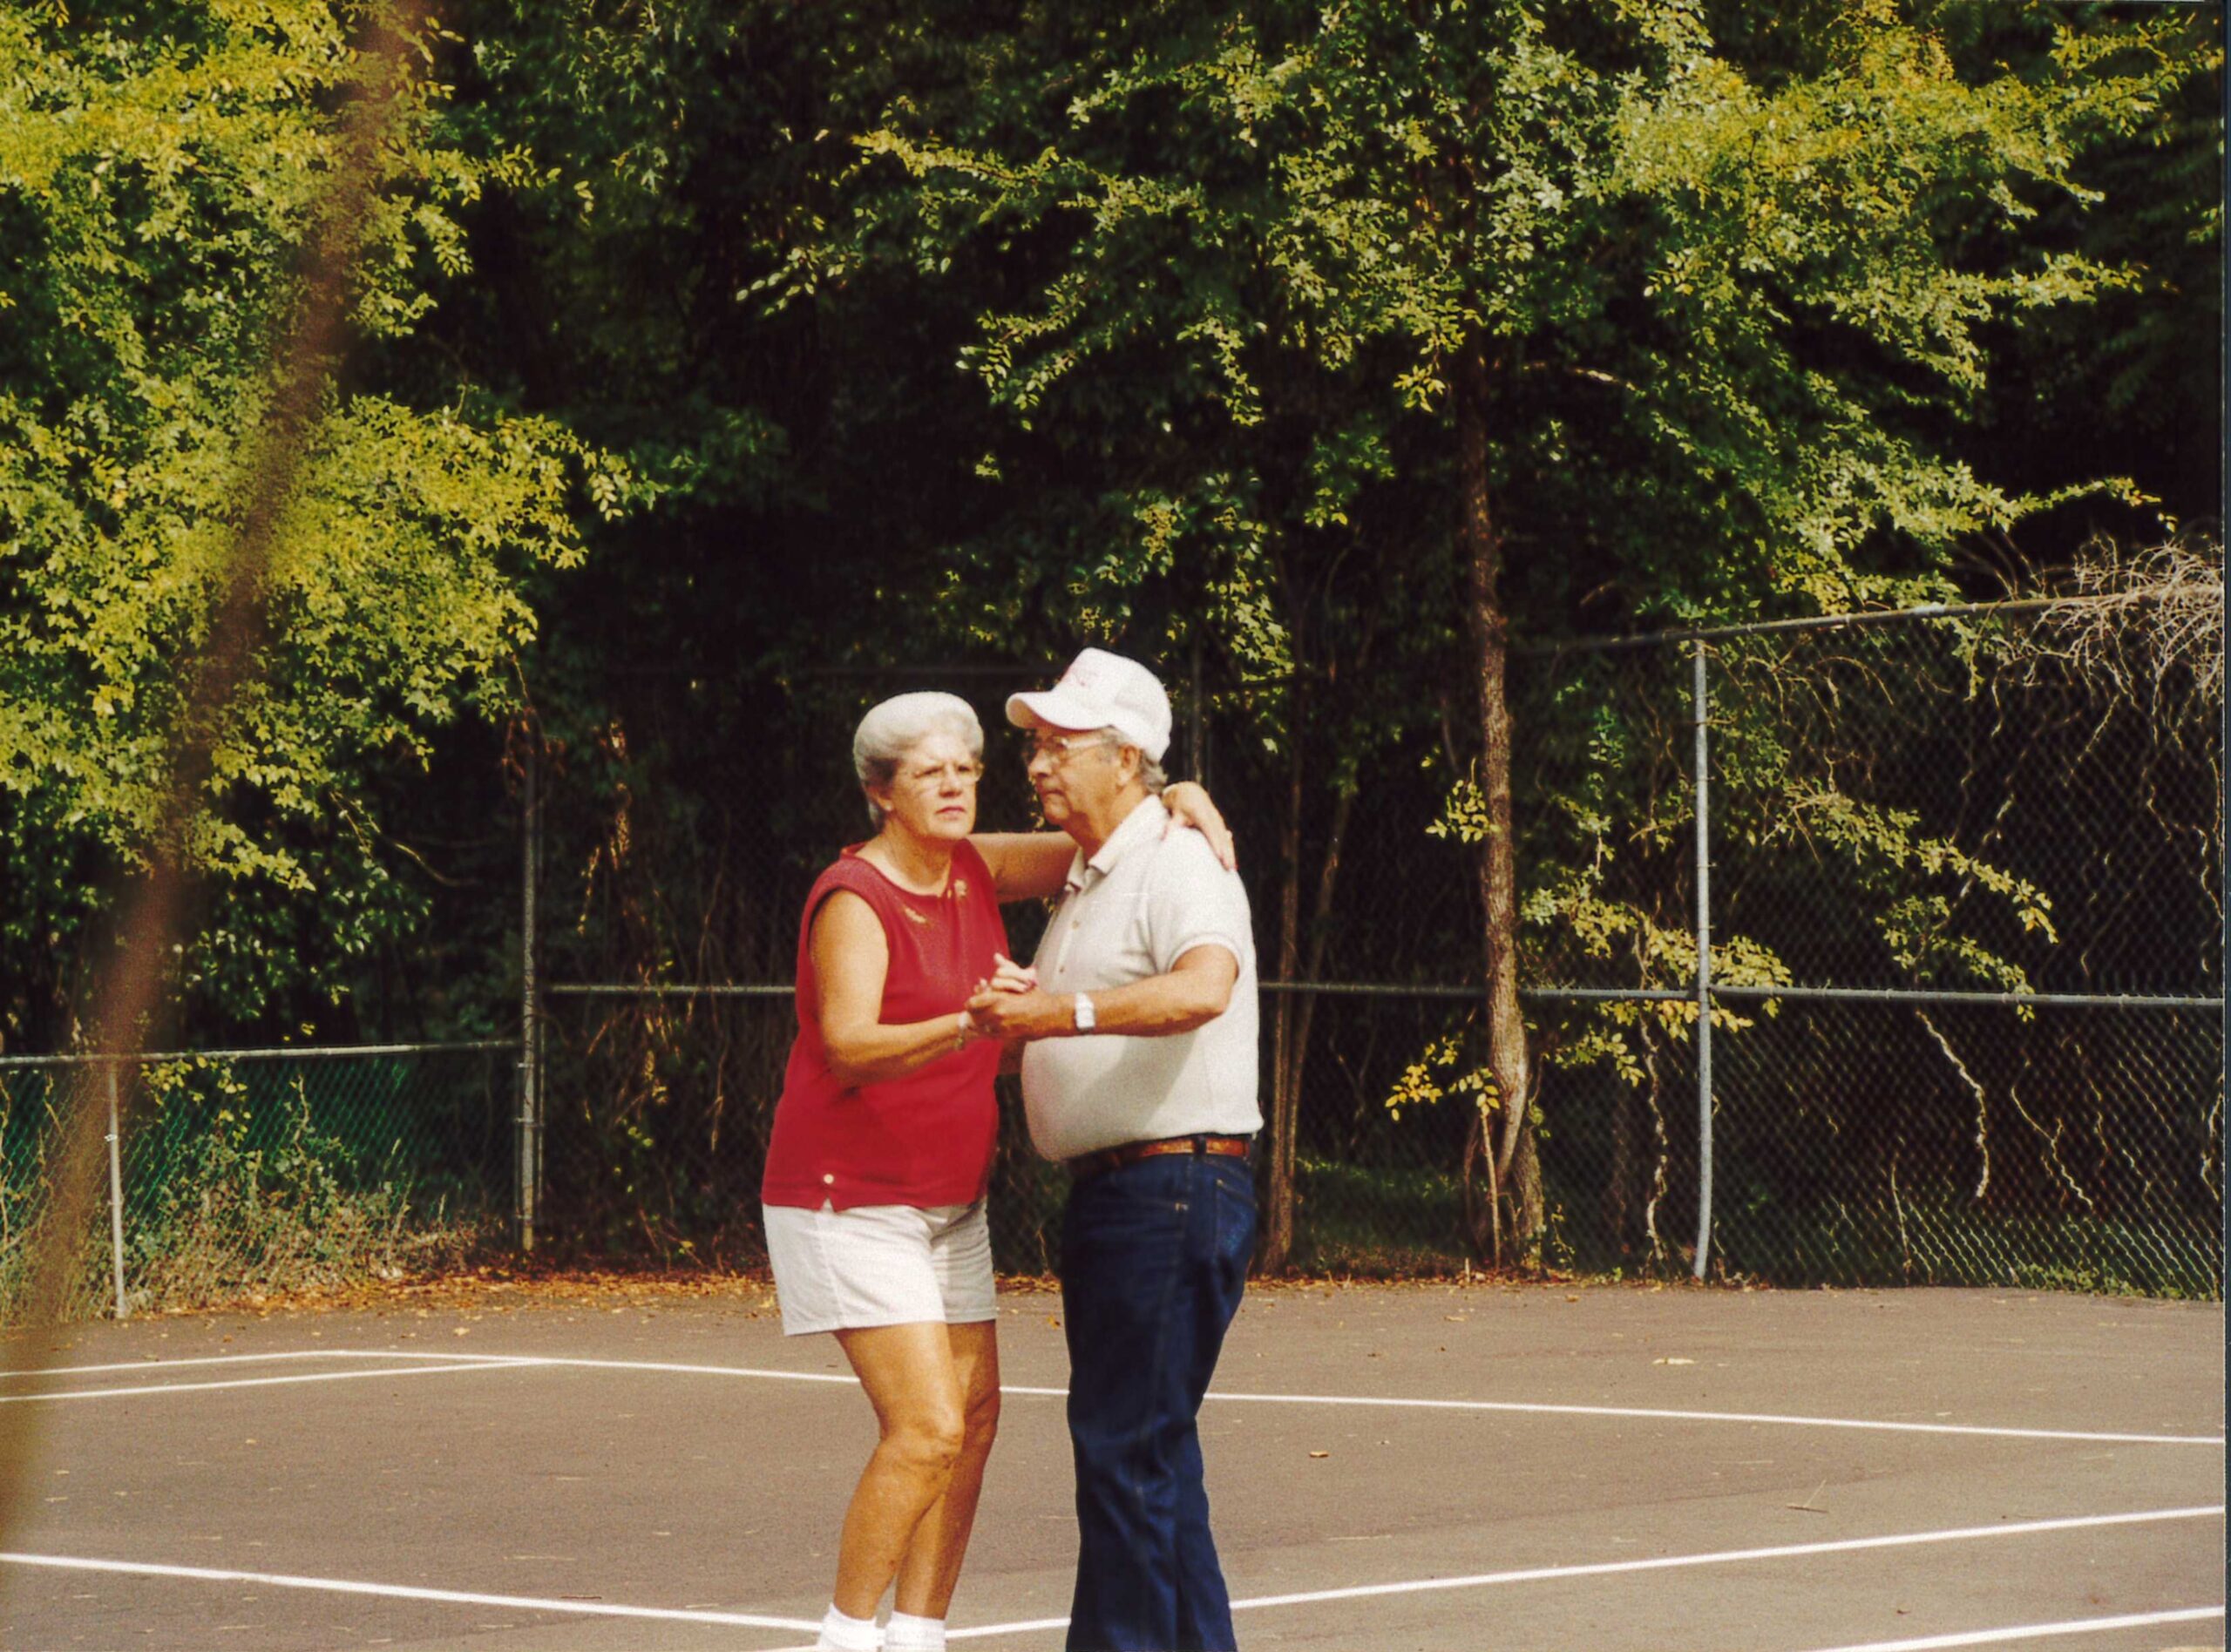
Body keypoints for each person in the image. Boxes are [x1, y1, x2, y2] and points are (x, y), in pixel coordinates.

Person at [760, 689, 1232, 1652]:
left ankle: (918, 1635)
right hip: (849, 1199)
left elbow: (1111, 832)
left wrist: (1182, 790)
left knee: (973, 1424)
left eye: (967, 769)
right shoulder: (856, 895)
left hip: (949, 1202)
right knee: (926, 1427)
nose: (955, 787)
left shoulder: (975, 865)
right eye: (928, 773)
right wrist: (972, 1021)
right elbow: (849, 1044)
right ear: (879, 793)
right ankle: (845, 1638)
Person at [964, 649, 1262, 1652]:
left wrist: (1058, 1012)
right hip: (1127, 1196)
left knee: (1127, 1453)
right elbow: (969, 862)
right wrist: (1011, 1026)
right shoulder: (1094, 872)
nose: (1039, 764)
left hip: (1171, 1188)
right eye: (1036, 745)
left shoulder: (1175, 860)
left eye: (1061, 744)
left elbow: (1202, 988)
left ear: (1127, 758)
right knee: (1143, 1457)